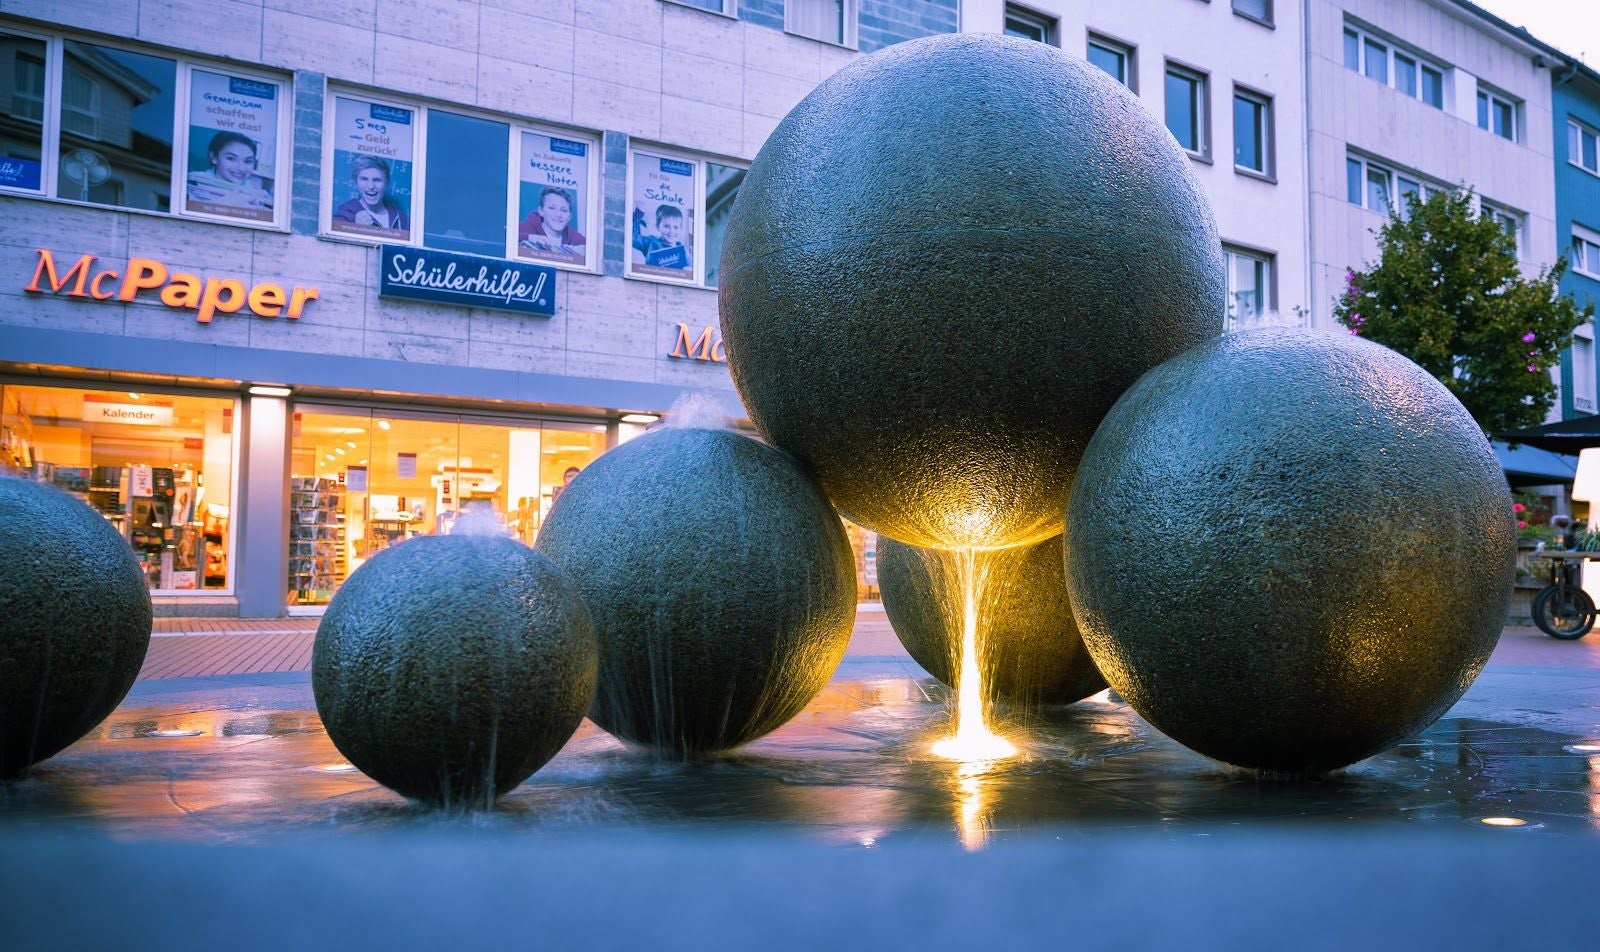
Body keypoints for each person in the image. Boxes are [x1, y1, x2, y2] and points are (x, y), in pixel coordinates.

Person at [186, 131, 273, 211]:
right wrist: (220, 205)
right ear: (214, 157)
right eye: (231, 159)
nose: (241, 168)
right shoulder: (191, 183)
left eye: (248, 161)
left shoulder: (257, 194)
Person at [332, 155, 408, 232]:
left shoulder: (400, 217)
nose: (371, 186)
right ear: (356, 182)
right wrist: (356, 228)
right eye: (364, 179)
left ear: (387, 182)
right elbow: (334, 243)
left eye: (377, 180)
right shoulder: (345, 215)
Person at [518, 187, 585, 255]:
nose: (558, 214)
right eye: (551, 208)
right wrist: (529, 237)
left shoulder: (577, 240)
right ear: (541, 211)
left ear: (569, 216)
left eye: (563, 210)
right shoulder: (523, 229)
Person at [632, 204, 692, 270]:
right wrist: (638, 214)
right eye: (666, 226)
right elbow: (633, 238)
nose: (671, 231)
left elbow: (692, 267)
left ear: (681, 229)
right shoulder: (650, 243)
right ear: (657, 227)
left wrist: (688, 269)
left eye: (676, 227)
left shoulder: (684, 251)